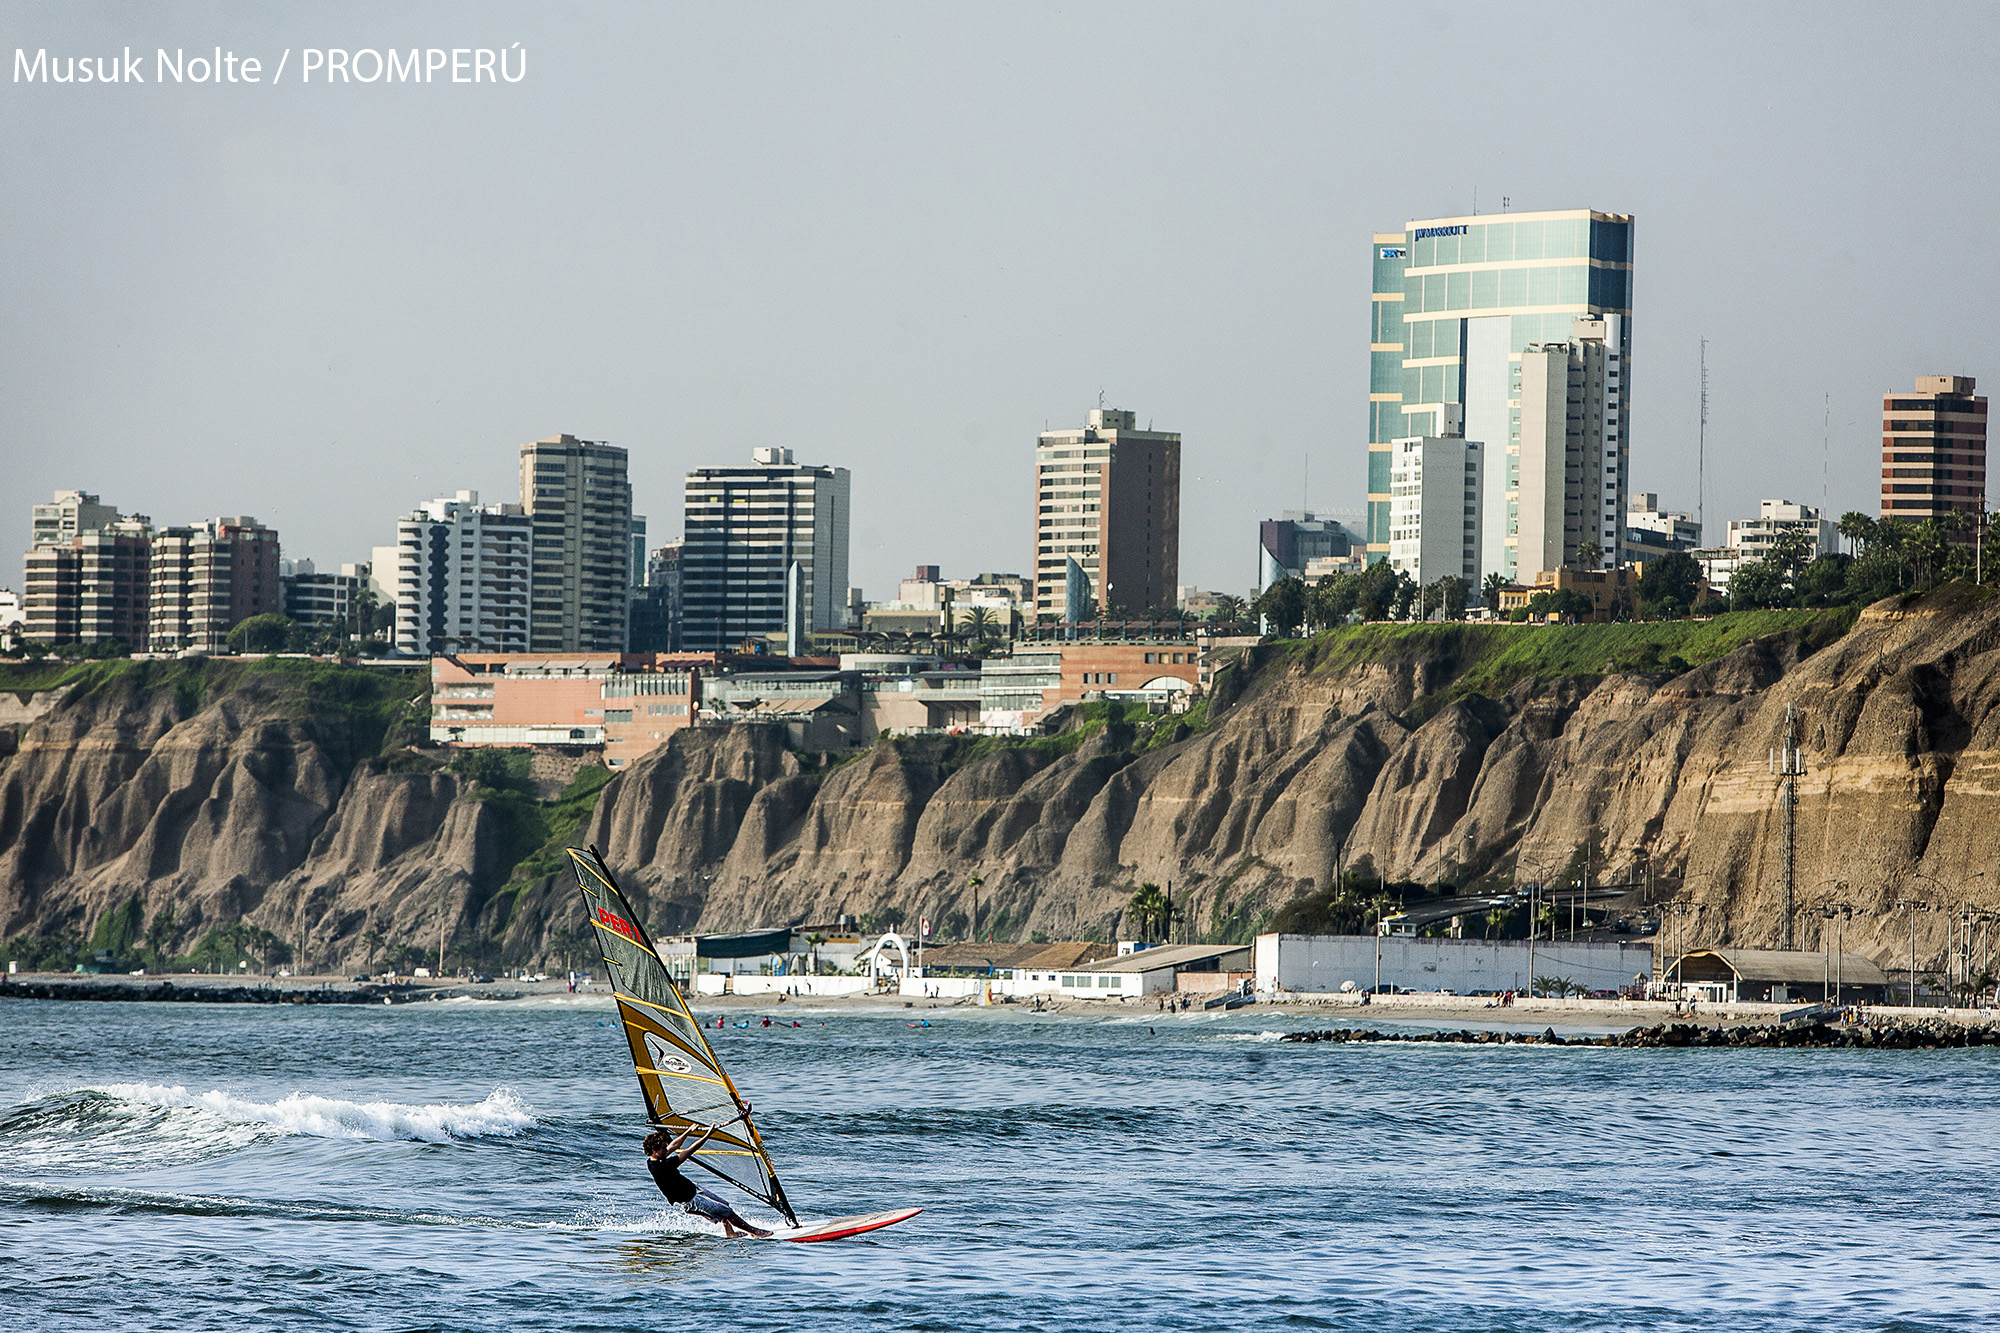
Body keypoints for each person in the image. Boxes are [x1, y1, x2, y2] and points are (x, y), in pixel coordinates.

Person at [644, 1118, 771, 1239]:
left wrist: (688, 1131)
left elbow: (673, 1146)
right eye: (663, 1148)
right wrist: (708, 1134)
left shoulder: (654, 1159)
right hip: (691, 1201)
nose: (666, 1150)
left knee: (724, 1205)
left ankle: (730, 1232)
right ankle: (754, 1232)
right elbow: (690, 1150)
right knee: (726, 1211)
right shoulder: (662, 1167)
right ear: (654, 1150)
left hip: (694, 1190)